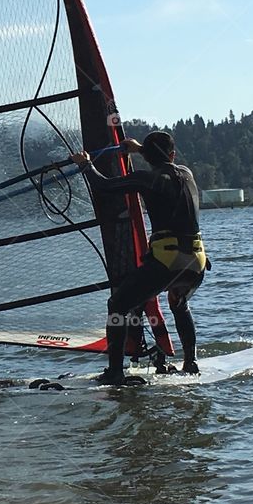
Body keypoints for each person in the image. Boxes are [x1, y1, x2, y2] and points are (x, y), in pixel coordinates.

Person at [70, 131, 208, 385]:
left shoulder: (147, 179)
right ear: (173, 155)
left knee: (118, 305)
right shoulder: (186, 173)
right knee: (178, 302)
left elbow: (105, 186)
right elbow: (159, 157)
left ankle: (114, 372)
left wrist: (85, 164)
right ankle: (191, 362)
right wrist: (139, 148)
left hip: (168, 262)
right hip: (197, 262)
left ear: (149, 157)